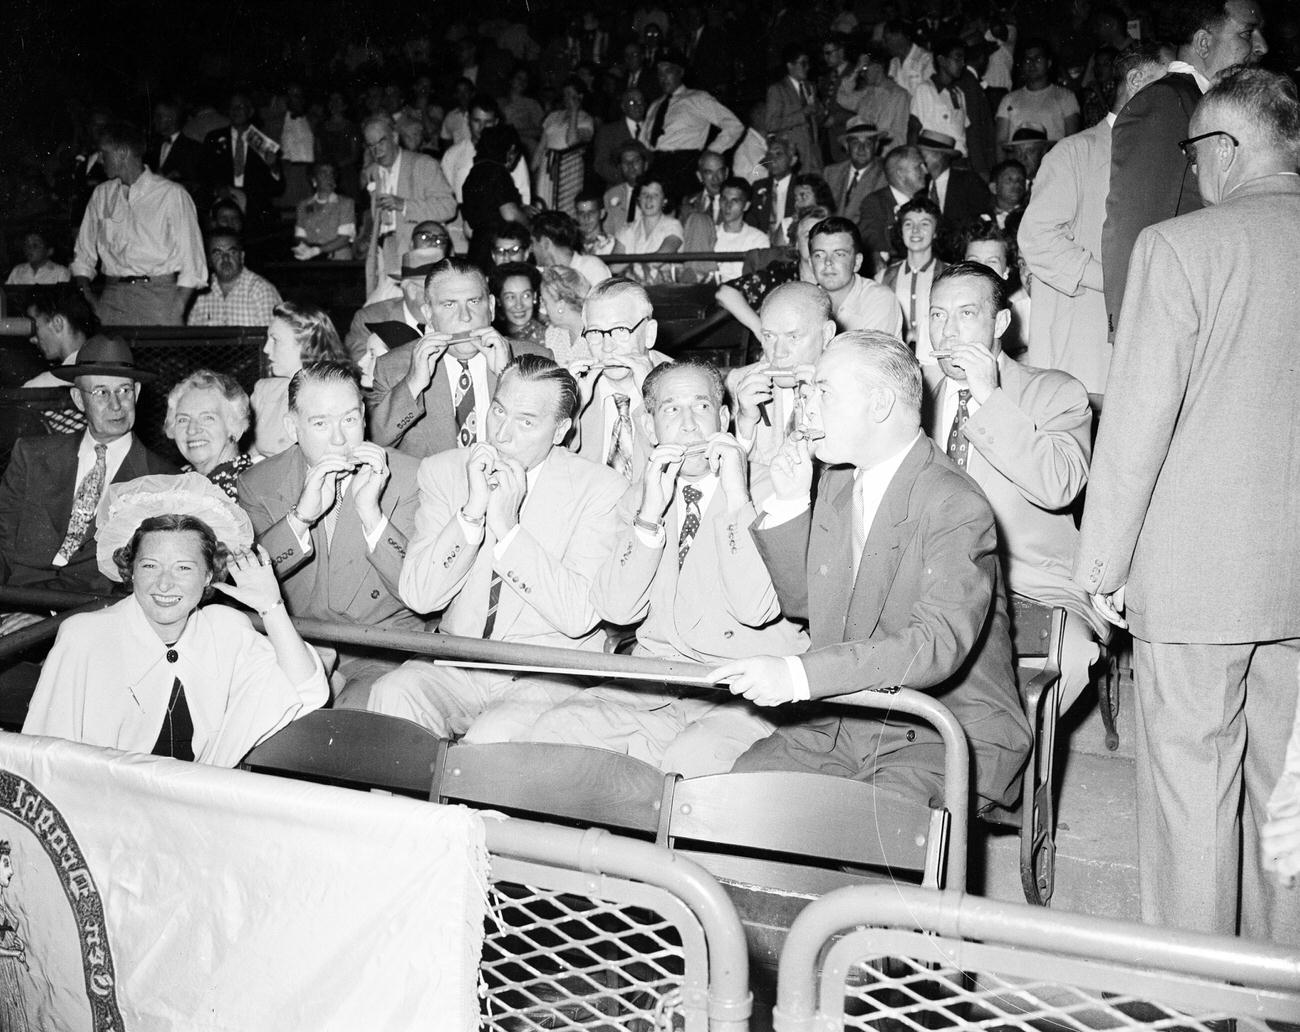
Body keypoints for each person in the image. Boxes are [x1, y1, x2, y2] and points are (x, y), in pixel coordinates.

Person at [1076, 68, 1300, 946]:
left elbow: (1135, 429)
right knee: (1288, 804)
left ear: (1225, 150)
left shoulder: (1180, 249)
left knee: (1189, 809)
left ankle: (1197, 999)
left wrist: (1100, 569)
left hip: (1198, 582)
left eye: (1195, 154)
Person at [714, 332, 1030, 813]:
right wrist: (791, 502)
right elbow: (804, 607)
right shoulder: (839, 480)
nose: (806, 409)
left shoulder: (954, 503)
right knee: (740, 800)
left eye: (823, 391)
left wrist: (797, 677)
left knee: (867, 833)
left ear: (879, 403)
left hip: (938, 727)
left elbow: (935, 644)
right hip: (845, 719)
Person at [530, 361, 806, 775]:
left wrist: (735, 497)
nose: (690, 426)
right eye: (671, 410)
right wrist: (649, 518)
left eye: (702, 407)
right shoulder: (642, 497)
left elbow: (754, 608)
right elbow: (616, 611)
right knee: (556, 730)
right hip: (658, 684)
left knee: (692, 761)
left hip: (746, 693)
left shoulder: (774, 489)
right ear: (648, 425)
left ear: (725, 418)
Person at [367, 355, 627, 738]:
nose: (502, 434)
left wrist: (508, 530)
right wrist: (471, 515)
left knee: (491, 738)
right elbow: (420, 597)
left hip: (547, 672)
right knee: (391, 694)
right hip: (458, 661)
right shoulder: (444, 471)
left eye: (526, 422)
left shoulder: (601, 490)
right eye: (499, 412)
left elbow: (578, 616)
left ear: (560, 431)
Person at [23, 474, 327, 766]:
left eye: (183, 568)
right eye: (150, 566)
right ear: (130, 570)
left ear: (208, 574)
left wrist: (271, 608)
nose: (164, 585)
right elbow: (43, 757)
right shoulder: (84, 636)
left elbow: (306, 688)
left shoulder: (225, 628)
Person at [923, 261, 1102, 713]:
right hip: (929, 581)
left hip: (1030, 582)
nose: (947, 332)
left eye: (966, 314)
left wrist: (989, 400)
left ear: (1000, 322)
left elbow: (1059, 485)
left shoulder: (1055, 392)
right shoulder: (914, 393)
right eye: (937, 315)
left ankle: (1006, 761)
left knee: (1071, 657)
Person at [238, 362, 424, 708]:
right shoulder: (258, 483)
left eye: (349, 419)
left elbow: (420, 591)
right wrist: (300, 518)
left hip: (383, 649)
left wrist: (372, 514)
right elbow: (250, 581)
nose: (339, 439)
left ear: (364, 417)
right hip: (298, 642)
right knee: (263, 710)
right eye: (321, 423)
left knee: (349, 727)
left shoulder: (408, 476)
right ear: (292, 428)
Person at [1101, 0, 1267, 333]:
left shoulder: (1220, 106)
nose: (1261, 47)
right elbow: (1133, 228)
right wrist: (1133, 332)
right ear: (1204, 43)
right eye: (1247, 34)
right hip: (1181, 320)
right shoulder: (1166, 101)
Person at [1019, 42, 1166, 392]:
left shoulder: (1163, 159)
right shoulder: (1074, 152)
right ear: (1136, 80)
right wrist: (1115, 279)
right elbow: (1037, 239)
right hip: (1083, 351)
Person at [0, 336, 175, 603]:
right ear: (78, 400)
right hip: (15, 599)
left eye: (124, 391)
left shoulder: (164, 479)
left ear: (137, 393)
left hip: (93, 613)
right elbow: (3, 541)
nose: (116, 405)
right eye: (101, 392)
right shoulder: (32, 455)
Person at [369, 257, 550, 458]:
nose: (465, 316)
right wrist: (413, 384)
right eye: (449, 305)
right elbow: (376, 441)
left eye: (473, 301)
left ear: (490, 306)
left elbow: (559, 441)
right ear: (428, 314)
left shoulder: (536, 359)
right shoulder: (393, 367)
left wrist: (509, 378)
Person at [72, 120, 207, 326]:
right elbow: (82, 256)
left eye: (103, 153)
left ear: (123, 153)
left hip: (159, 300)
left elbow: (193, 262)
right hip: (111, 300)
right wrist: (90, 300)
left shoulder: (171, 195)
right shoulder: (101, 194)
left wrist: (176, 309)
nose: (99, 159)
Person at [568, 277, 672, 479]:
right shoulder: (575, 385)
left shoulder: (684, 384)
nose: (607, 347)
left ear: (649, 333)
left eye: (621, 330)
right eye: (596, 332)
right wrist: (571, 408)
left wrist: (651, 398)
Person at [727, 281, 837, 471]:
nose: (778, 353)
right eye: (769, 336)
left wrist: (820, 406)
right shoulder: (740, 383)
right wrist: (745, 422)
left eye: (793, 337)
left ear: (827, 334)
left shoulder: (848, 388)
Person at [360, 113, 457, 297]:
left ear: (395, 137)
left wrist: (404, 205)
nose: (376, 151)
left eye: (381, 142)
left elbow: (448, 207)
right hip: (385, 254)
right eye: (371, 146)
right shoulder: (373, 172)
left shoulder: (423, 164)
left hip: (418, 257)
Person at [639, 50, 743, 203]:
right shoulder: (655, 105)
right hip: (656, 165)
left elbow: (734, 126)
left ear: (680, 72)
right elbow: (643, 141)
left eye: (668, 71)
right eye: (659, 73)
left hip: (684, 166)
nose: (663, 77)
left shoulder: (697, 98)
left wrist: (709, 153)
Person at [255, 301, 351, 459]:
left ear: (306, 345)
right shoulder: (264, 390)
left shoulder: (335, 397)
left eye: (275, 340)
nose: (265, 349)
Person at [201, 92, 284, 233]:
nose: (236, 110)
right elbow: (203, 173)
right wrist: (218, 187)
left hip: (255, 213)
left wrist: (273, 167)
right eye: (232, 107)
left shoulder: (263, 142)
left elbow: (278, 189)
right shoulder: (214, 138)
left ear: (250, 111)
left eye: (241, 106)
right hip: (223, 209)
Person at [164, 369, 254, 498]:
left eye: (207, 418)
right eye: (183, 420)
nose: (192, 429)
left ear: (235, 427)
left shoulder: (251, 487)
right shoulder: (175, 482)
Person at [808, 217, 903, 335]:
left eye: (839, 254)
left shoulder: (879, 299)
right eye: (819, 255)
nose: (828, 262)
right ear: (810, 264)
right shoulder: (803, 302)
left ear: (857, 262)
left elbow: (867, 353)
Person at [882, 198, 946, 360]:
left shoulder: (950, 274)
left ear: (936, 231)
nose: (915, 230)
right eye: (908, 224)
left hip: (937, 360)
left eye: (925, 224)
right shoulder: (884, 276)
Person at [462, 125, 528, 270]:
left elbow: (468, 224)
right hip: (498, 251)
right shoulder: (498, 173)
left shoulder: (472, 175)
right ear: (511, 150)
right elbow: (510, 214)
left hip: (476, 248)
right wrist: (529, 225)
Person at [995, 40, 1082, 148]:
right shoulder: (1009, 99)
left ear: (1049, 63)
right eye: (1027, 60)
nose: (1032, 63)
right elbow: (1000, 143)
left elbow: (1072, 141)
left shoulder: (1065, 97)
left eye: (1038, 59)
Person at [186, 230, 282, 327]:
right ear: (209, 260)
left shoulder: (261, 291)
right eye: (218, 253)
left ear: (242, 256)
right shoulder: (200, 294)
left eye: (232, 252)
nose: (225, 258)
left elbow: (275, 338)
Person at [857, 144, 930, 270]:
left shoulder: (926, 202)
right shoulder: (875, 203)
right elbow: (870, 239)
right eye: (919, 166)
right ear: (900, 174)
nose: (926, 171)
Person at [534, 77, 596, 206]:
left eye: (571, 94)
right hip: (548, 166)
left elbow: (572, 142)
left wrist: (574, 113)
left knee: (565, 205)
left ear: (580, 96)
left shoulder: (586, 119)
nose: (567, 98)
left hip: (569, 166)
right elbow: (541, 147)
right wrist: (532, 170)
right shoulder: (553, 116)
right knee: (544, 203)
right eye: (565, 94)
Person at [21, 285, 98, 388]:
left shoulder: (40, 385)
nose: (33, 339)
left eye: (35, 328)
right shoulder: (116, 376)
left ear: (58, 323)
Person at [767, 44, 824, 174]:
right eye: (803, 63)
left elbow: (817, 120)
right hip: (794, 155)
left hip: (814, 153)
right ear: (790, 65)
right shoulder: (778, 90)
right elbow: (771, 124)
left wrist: (820, 111)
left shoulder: (810, 87)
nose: (807, 67)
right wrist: (802, 114)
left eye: (808, 63)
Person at [917, 129, 993, 226]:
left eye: (922, 155)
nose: (918, 160)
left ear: (939, 156)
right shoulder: (920, 184)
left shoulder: (968, 182)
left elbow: (981, 219)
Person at [615, 177, 683, 284]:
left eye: (655, 195)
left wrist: (630, 261)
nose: (649, 199)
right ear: (638, 198)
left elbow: (660, 257)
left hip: (664, 290)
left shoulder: (673, 225)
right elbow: (614, 266)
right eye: (644, 194)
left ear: (664, 200)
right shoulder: (627, 229)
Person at [911, 38, 972, 158]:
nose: (962, 64)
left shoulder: (959, 93)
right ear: (941, 60)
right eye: (957, 59)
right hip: (935, 159)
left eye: (963, 60)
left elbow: (962, 134)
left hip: (959, 160)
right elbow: (913, 129)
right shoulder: (925, 89)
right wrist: (912, 159)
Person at [843, 46, 911, 153]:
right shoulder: (866, 93)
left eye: (865, 68)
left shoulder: (899, 95)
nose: (862, 73)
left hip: (884, 156)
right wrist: (856, 70)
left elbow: (901, 136)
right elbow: (842, 98)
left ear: (878, 67)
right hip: (864, 156)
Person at [825, 121, 888, 224]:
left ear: (876, 146)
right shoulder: (831, 173)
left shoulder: (885, 175)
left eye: (867, 143)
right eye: (855, 143)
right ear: (846, 146)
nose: (861, 149)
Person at [708, 179, 771, 283]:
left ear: (746, 206)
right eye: (724, 199)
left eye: (734, 201)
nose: (728, 206)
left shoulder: (758, 239)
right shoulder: (710, 233)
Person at [293, 161, 357, 261]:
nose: (329, 177)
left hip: (338, 261)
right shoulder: (303, 205)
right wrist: (304, 249)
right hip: (311, 261)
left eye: (331, 173)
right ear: (314, 180)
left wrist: (317, 251)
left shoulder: (346, 203)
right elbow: (300, 235)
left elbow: (344, 239)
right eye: (323, 173)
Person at [530, 210, 611, 287]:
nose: (531, 249)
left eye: (533, 243)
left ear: (545, 243)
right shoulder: (540, 274)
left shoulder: (592, 269)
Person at [747, 136, 800, 247]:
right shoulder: (759, 187)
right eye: (769, 155)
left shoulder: (801, 187)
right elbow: (751, 222)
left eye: (778, 154)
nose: (772, 159)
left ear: (792, 160)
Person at [537, 265, 592, 360]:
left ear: (560, 305)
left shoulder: (596, 336)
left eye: (544, 302)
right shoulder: (553, 333)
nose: (541, 307)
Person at [594, 89, 647, 187]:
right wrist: (627, 177)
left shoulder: (651, 129)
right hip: (619, 190)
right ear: (623, 107)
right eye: (632, 102)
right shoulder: (608, 131)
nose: (637, 105)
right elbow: (600, 164)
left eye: (641, 102)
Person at [491, 262, 546, 348]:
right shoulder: (492, 335)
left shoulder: (547, 339)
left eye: (526, 295)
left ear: (534, 296)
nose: (519, 305)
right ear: (499, 300)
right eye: (510, 297)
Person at [603, 140, 650, 234]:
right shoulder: (611, 194)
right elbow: (608, 230)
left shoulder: (655, 193)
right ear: (620, 167)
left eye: (636, 161)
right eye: (625, 162)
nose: (631, 166)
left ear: (645, 165)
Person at [6, 230, 70, 285]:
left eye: (35, 245)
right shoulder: (17, 271)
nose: (29, 249)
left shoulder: (61, 272)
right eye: (26, 245)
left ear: (49, 251)